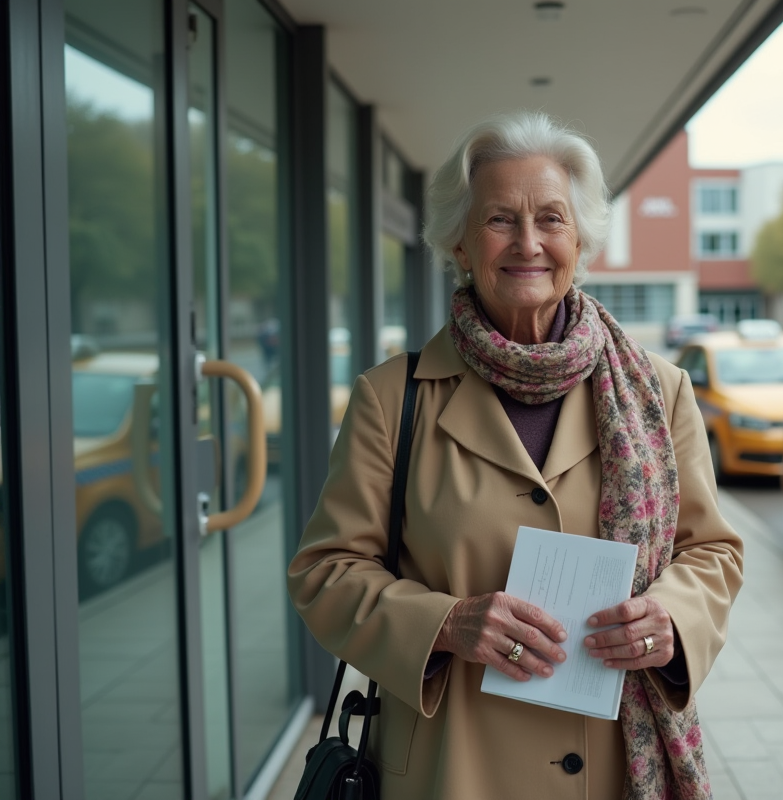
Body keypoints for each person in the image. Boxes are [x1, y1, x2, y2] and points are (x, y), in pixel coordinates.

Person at [288, 112, 743, 800]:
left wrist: (671, 617)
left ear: (580, 240)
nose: (529, 243)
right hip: (451, 768)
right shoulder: (392, 397)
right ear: (461, 244)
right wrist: (444, 623)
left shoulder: (660, 389)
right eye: (501, 219)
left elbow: (711, 552)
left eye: (551, 219)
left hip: (612, 767)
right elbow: (324, 572)